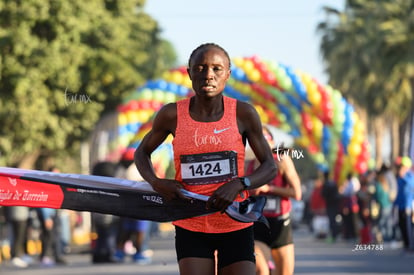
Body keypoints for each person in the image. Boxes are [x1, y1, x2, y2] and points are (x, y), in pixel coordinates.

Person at [134, 43, 277, 275]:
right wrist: (157, 182)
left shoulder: (243, 113)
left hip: (234, 221)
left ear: (227, 74)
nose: (208, 75)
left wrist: (240, 184)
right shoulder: (171, 114)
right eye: (200, 68)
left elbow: (270, 166)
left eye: (216, 69)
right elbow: (141, 152)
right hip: (191, 221)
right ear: (190, 73)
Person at [247, 127, 302, 275]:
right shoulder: (250, 164)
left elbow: (297, 193)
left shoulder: (282, 160)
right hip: (258, 224)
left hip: (280, 224)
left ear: (272, 141)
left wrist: (268, 189)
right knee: (260, 270)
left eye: (266, 140)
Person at [90, 161, 120, 263]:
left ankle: (98, 255)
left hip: (97, 216)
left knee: (100, 236)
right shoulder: (111, 185)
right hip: (109, 217)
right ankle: (108, 254)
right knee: (109, 236)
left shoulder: (95, 185)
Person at [393, 156, 414, 252]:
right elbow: (398, 193)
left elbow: (410, 189)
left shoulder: (410, 176)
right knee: (402, 225)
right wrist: (395, 204)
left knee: (408, 225)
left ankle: (410, 245)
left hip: (408, 206)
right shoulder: (399, 178)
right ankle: (406, 244)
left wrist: (404, 176)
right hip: (400, 205)